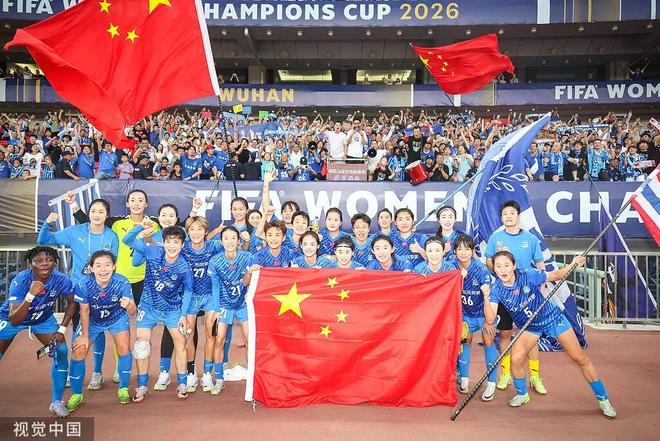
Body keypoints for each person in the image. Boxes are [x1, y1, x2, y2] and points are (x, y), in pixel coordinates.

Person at [486, 251, 616, 418]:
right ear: (494, 268)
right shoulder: (496, 289)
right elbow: (490, 318)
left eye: (506, 265)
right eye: (498, 266)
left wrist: (573, 264)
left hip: (552, 318)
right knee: (516, 360)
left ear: (514, 266)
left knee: (579, 358)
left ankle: (603, 400)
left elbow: (555, 275)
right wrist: (486, 297)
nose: (503, 270)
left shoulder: (528, 274)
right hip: (530, 326)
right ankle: (522, 394)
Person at [71, 190, 159, 384]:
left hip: (145, 281)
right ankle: (118, 368)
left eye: (141, 200)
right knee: (114, 324)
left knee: (143, 328)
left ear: (146, 204)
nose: (136, 203)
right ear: (127, 203)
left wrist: (194, 211)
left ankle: (145, 371)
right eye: (133, 200)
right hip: (120, 283)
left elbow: (173, 229)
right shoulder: (117, 223)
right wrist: (74, 206)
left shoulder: (154, 224)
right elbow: (92, 220)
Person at [0, 246, 76, 417]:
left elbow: (72, 303)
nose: (45, 264)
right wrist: (30, 295)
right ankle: (43, 351)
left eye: (49, 260)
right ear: (31, 265)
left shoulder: (61, 279)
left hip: (43, 319)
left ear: (55, 263)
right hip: (12, 318)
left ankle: (56, 402)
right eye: (39, 261)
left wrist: (61, 330)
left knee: (61, 350)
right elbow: (15, 319)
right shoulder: (21, 280)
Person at [123, 224, 194, 401]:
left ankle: (182, 383)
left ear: (182, 245)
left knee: (181, 342)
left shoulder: (184, 267)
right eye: (168, 241)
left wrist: (183, 314)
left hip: (172, 309)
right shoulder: (153, 252)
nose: (172, 246)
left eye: (176, 242)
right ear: (163, 243)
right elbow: (127, 240)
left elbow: (188, 291)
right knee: (141, 344)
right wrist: (140, 228)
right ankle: (142, 386)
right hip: (148, 307)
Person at [484, 200, 547, 394]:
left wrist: (541, 291)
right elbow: (489, 264)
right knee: (505, 334)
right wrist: (499, 258)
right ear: (501, 217)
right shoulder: (495, 238)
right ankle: (505, 374)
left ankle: (535, 377)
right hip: (504, 295)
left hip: (527, 295)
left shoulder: (531, 239)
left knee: (531, 337)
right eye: (505, 214)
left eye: (512, 213)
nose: (508, 216)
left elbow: (541, 267)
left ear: (518, 216)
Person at [67, 251, 136, 411]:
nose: (103, 269)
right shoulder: (83, 284)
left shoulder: (122, 282)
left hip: (117, 318)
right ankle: (77, 394)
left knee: (124, 348)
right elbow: (84, 311)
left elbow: (132, 312)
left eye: (107, 265)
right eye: (98, 265)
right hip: (92, 320)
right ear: (91, 268)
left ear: (114, 266)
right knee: (78, 350)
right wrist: (85, 336)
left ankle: (123, 388)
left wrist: (129, 305)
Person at [452, 235, 498, 401]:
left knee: (489, 340)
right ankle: (464, 378)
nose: (463, 252)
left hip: (483, 314)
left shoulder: (480, 269)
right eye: (459, 249)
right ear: (455, 251)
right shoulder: (451, 267)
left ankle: (491, 383)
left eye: (467, 249)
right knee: (465, 341)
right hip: (464, 315)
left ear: (472, 251)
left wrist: (488, 320)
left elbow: (489, 296)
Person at [207, 226, 251, 395]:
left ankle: (252, 377)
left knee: (249, 339)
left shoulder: (247, 257)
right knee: (219, 339)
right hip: (224, 305)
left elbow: (250, 281)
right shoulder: (215, 261)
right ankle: (219, 379)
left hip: (243, 304)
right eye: (226, 238)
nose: (230, 241)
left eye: (233, 238)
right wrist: (216, 309)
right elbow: (215, 286)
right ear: (221, 241)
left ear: (239, 241)